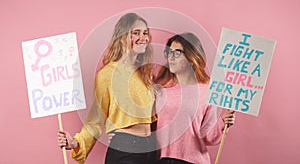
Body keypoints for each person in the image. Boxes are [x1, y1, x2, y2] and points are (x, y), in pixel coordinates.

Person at [57, 13, 158, 164]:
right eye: (136, 33)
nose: (143, 38)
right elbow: (96, 120)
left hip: (150, 150)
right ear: (122, 36)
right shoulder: (107, 75)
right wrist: (76, 142)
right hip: (125, 150)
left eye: (145, 33)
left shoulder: (145, 75)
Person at [154, 32, 235, 164]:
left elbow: (209, 137)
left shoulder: (207, 91)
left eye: (177, 52)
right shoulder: (160, 90)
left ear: (191, 57)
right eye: (169, 52)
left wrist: (223, 122)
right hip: (161, 159)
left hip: (192, 161)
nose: (171, 57)